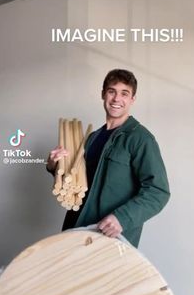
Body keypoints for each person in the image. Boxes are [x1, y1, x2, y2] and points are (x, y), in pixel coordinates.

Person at [47, 69, 170, 247]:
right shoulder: (93, 137)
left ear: (132, 99)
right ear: (103, 94)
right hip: (76, 232)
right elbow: (79, 183)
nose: (116, 99)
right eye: (112, 91)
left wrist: (122, 218)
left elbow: (158, 191)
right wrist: (55, 166)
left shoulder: (140, 139)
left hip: (110, 239)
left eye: (124, 93)